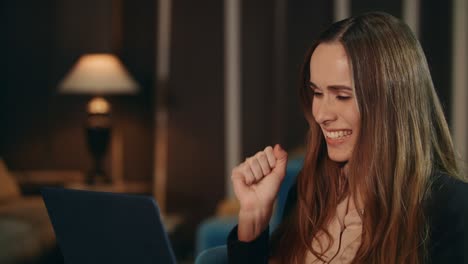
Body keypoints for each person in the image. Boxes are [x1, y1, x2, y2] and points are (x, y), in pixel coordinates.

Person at [227, 12, 468, 264]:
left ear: (391, 103)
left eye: (341, 96)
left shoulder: (452, 208)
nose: (320, 114)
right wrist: (253, 218)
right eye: (317, 93)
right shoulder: (309, 190)